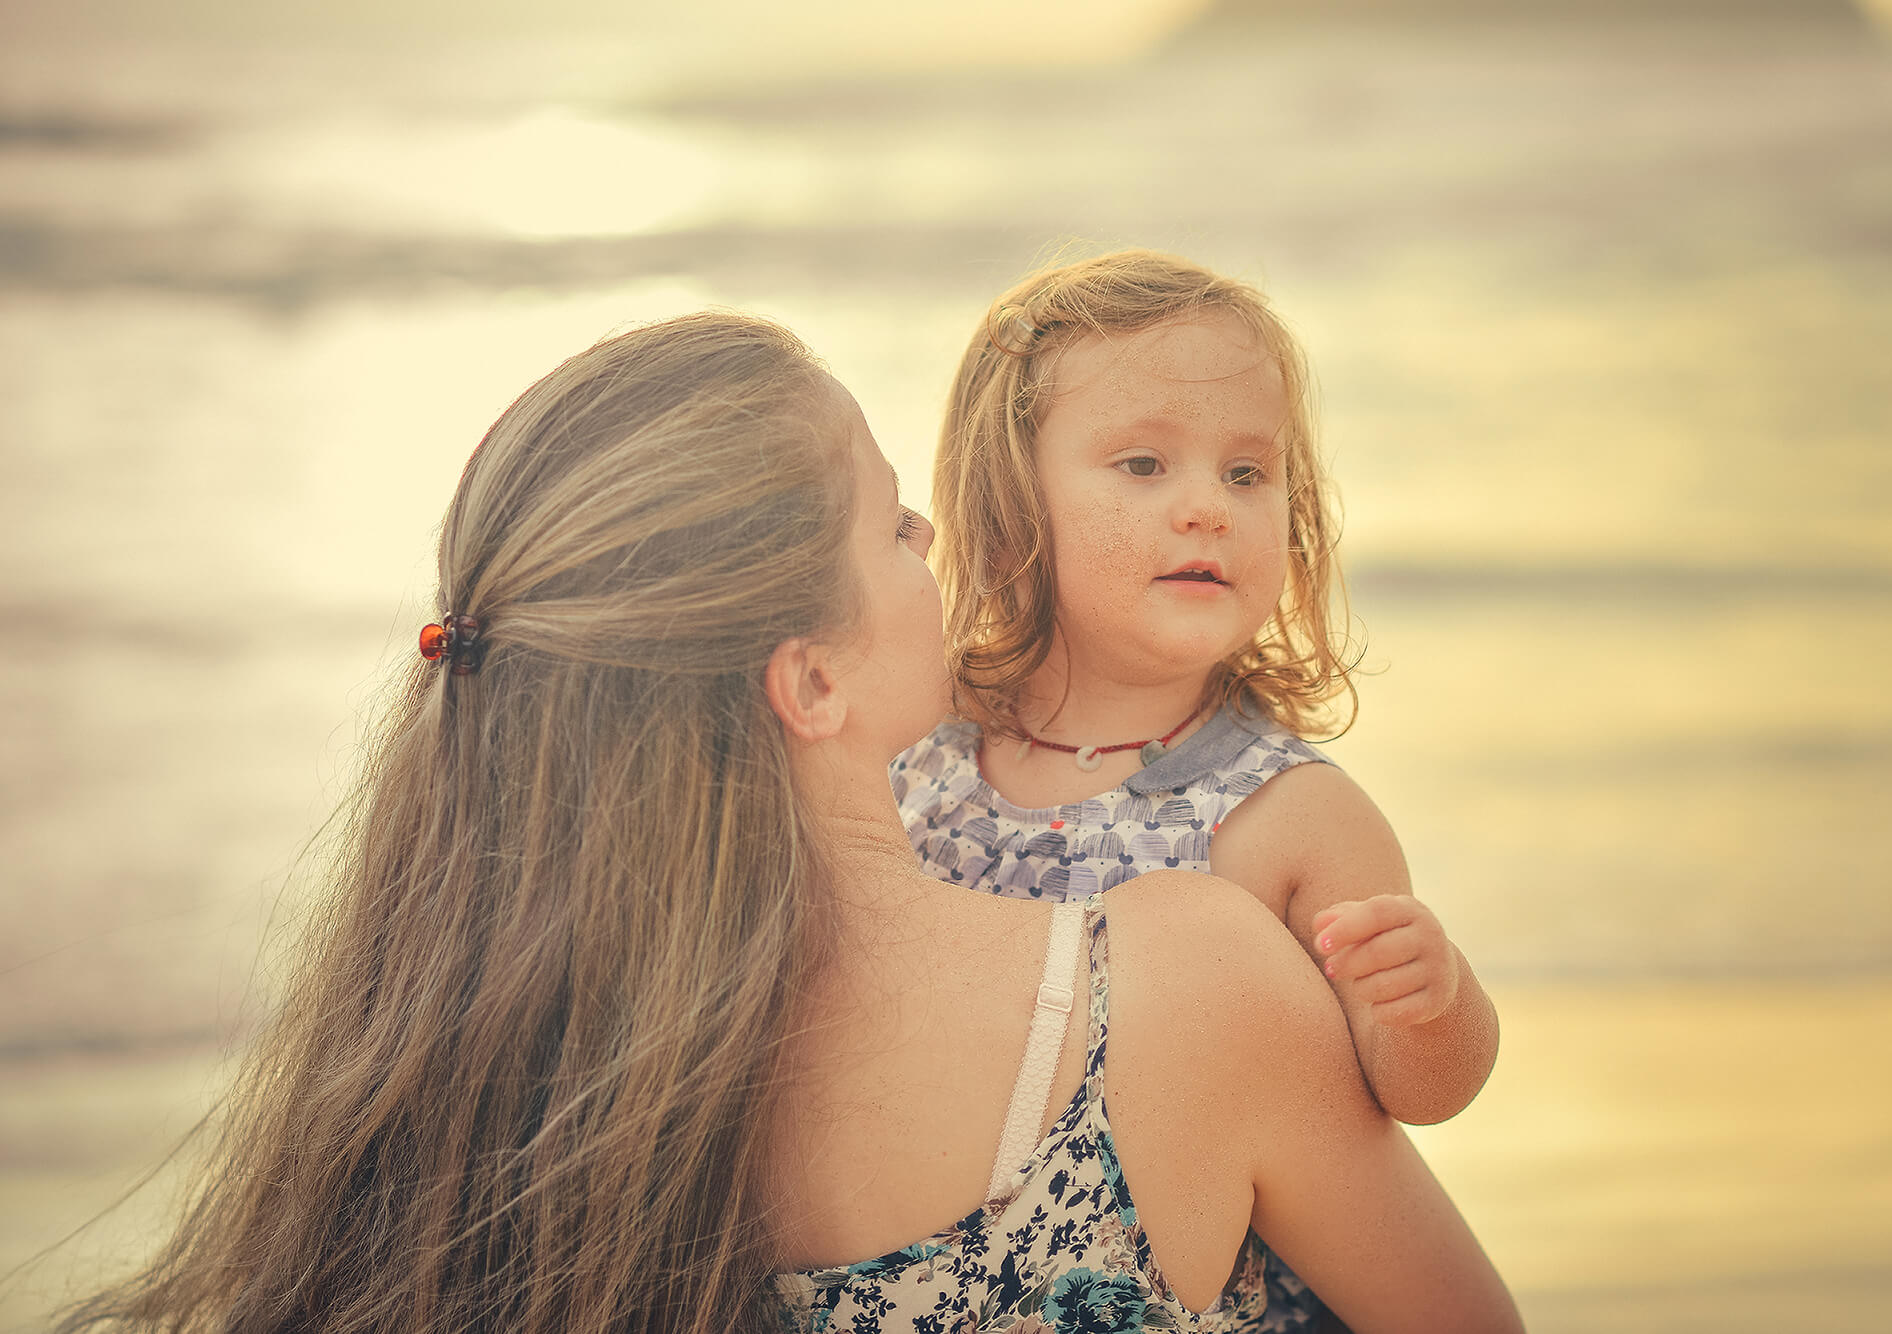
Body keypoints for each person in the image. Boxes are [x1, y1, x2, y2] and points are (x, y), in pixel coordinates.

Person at [55, 313, 1519, 1334]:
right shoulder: (1182, 989)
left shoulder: (526, 1115)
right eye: (892, 526)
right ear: (810, 679)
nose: (934, 542)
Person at [896, 250, 1503, 1330]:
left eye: (1244, 473)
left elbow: (1414, 1096)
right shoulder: (923, 742)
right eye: (1141, 465)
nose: (1205, 509)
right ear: (1004, 503)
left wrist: (1434, 1000)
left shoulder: (1289, 814)